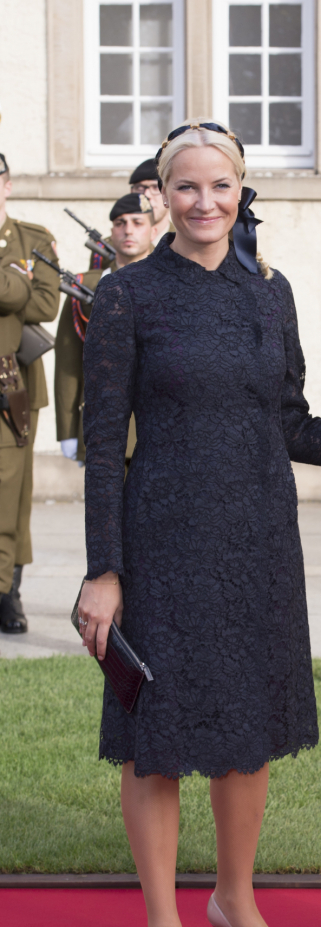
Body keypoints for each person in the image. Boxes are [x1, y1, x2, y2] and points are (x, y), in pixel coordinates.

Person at [76, 119, 321, 927]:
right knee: (155, 738)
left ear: (242, 193)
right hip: (160, 537)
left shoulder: (270, 294)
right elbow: (101, 447)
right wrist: (104, 570)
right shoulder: (126, 297)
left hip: (259, 537)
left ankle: (234, 897)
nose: (203, 203)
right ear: (160, 194)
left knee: (248, 725)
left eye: (219, 186)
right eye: (184, 187)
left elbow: (290, 420)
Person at [0, 152, 60, 634]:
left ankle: (7, 593)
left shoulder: (32, 239)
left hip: (14, 384)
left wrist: (17, 296)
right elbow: (20, 295)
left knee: (12, 495)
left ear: (8, 185)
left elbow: (44, 301)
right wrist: (11, 287)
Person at [55, 193, 157, 466]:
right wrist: (68, 430)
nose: (128, 230)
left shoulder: (171, 282)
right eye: (121, 223)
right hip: (104, 427)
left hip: (160, 429)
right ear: (111, 232)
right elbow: (68, 362)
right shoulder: (87, 285)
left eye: (138, 222)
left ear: (154, 230)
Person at [129, 158, 171, 240]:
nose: (146, 195)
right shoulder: (111, 247)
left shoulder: (189, 245)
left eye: (156, 187)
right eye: (140, 188)